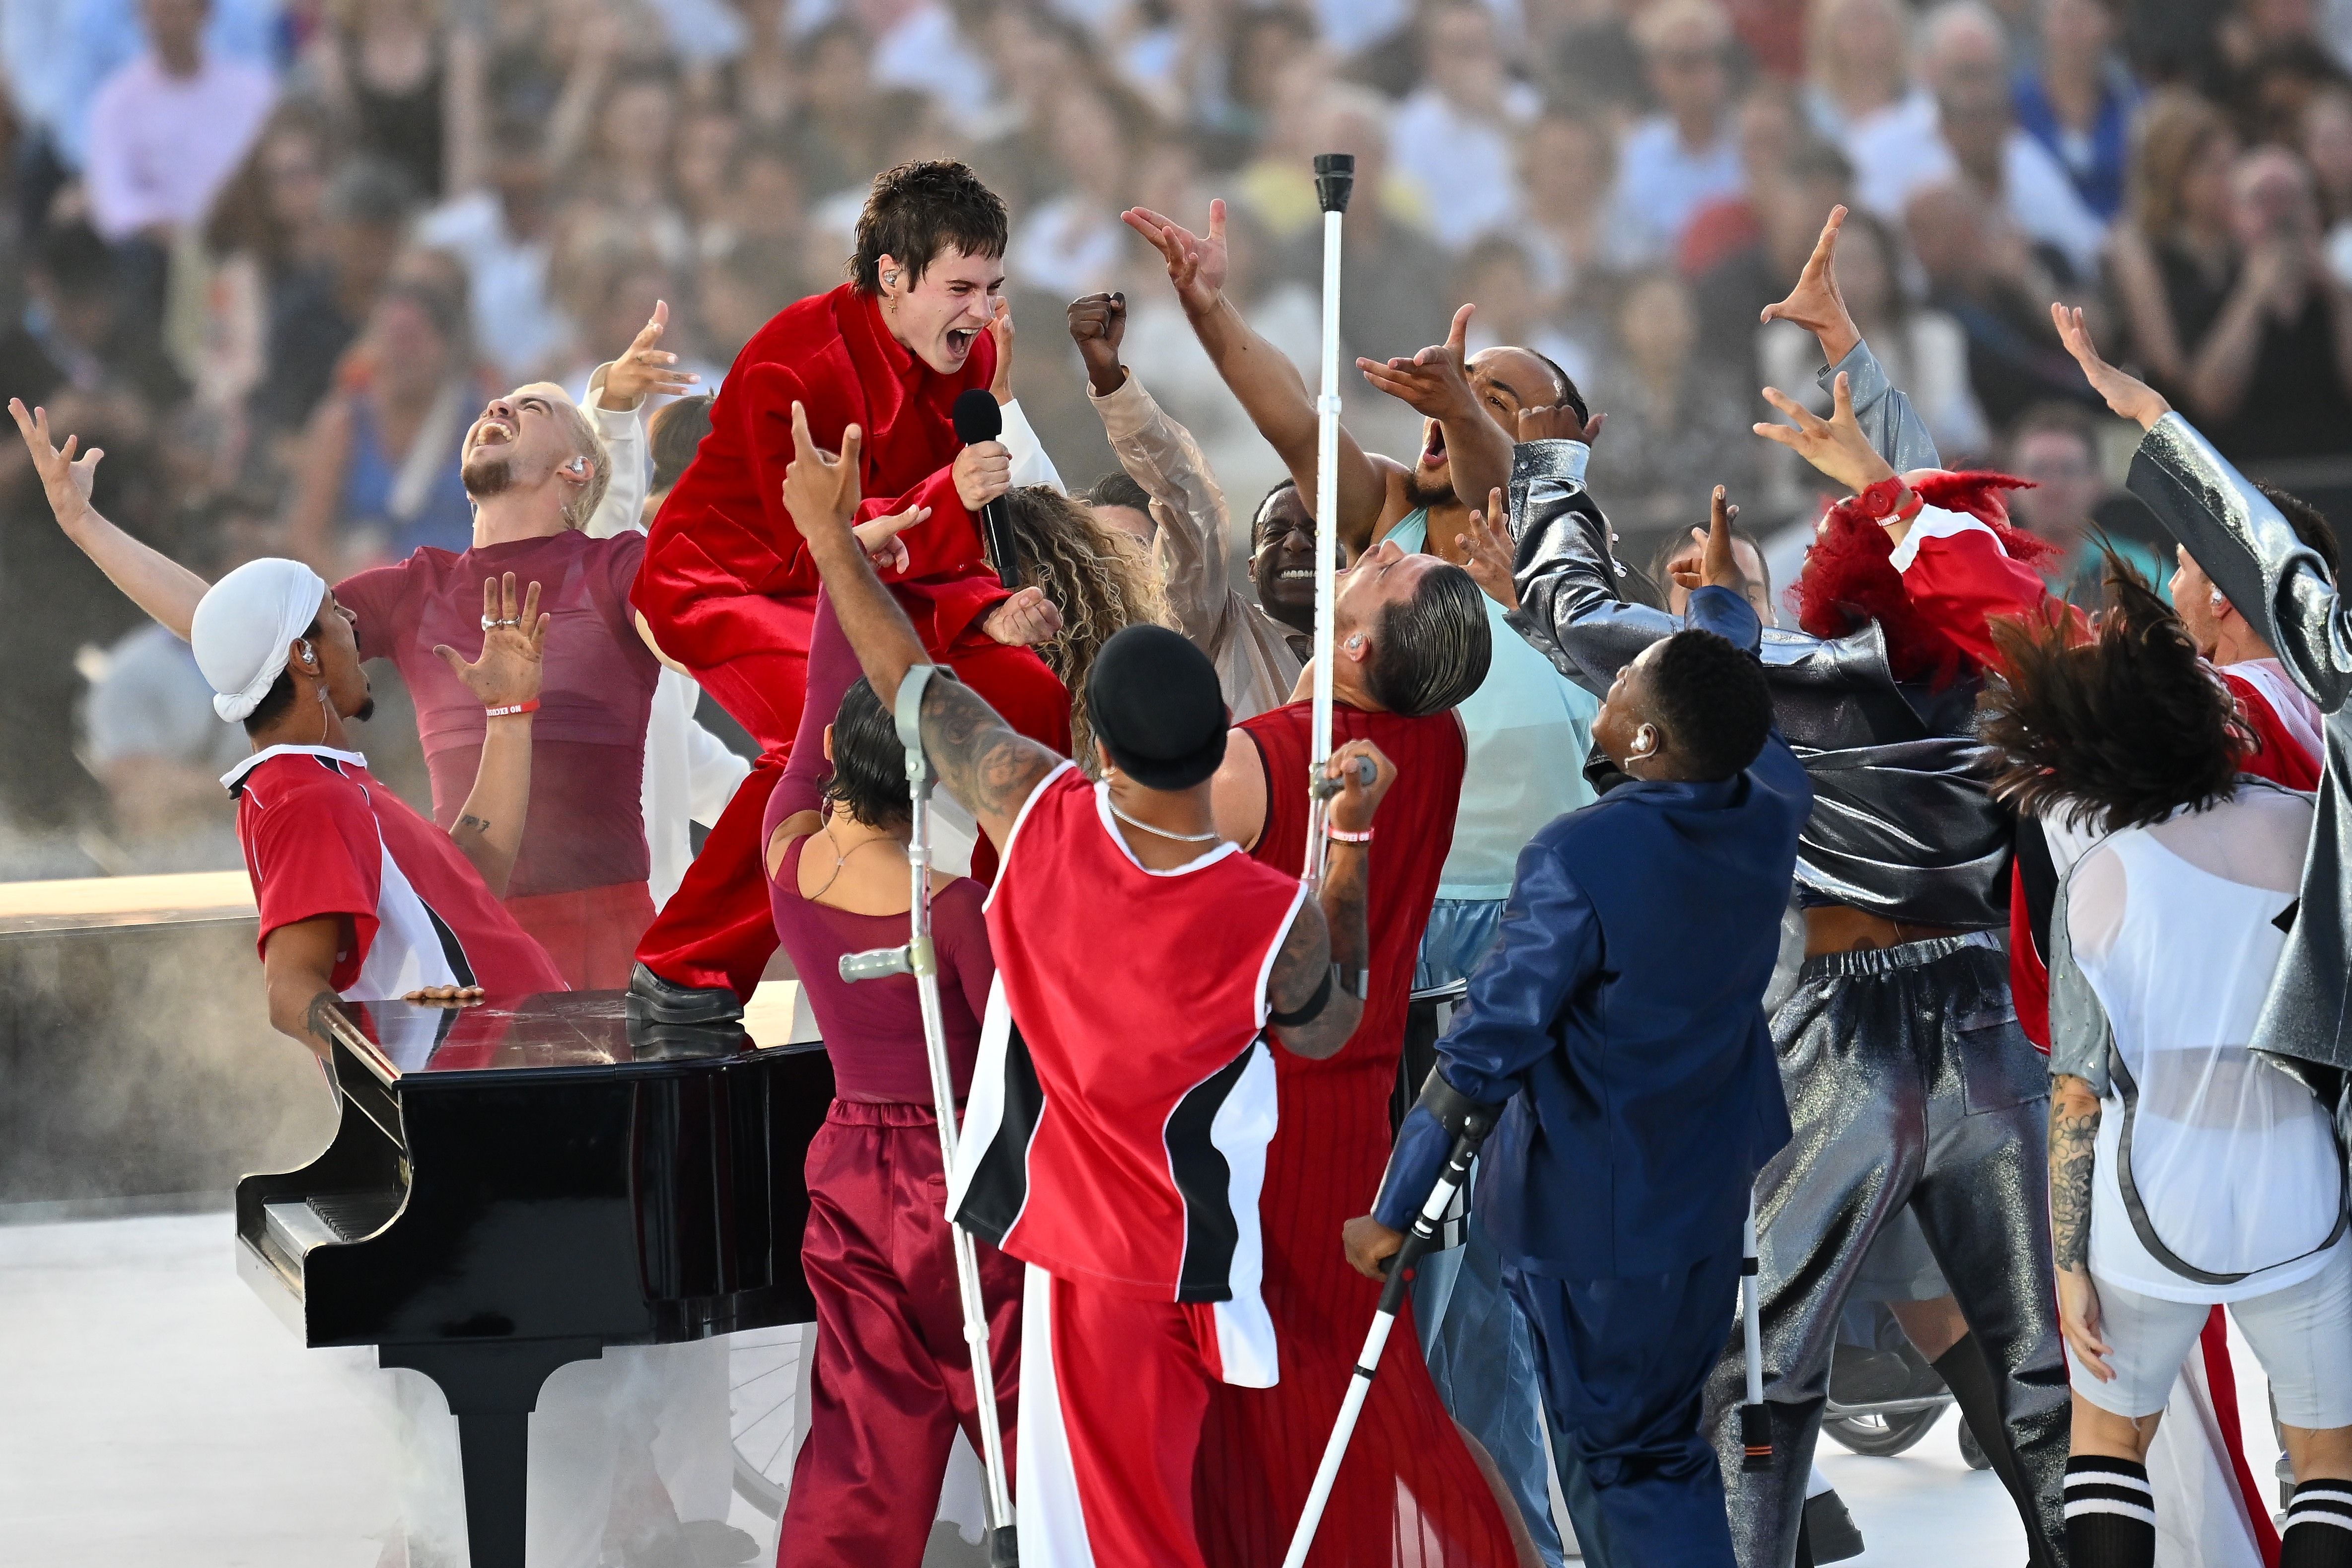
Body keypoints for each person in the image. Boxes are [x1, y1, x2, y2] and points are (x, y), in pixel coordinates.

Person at [1511, 209, 2073, 1566]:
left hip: (1849, 1047)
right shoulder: (1997, 670)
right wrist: (1857, 364)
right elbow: (1952, 526)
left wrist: (1550, 457)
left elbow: (1573, 610)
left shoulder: (1791, 680)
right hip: (1995, 1035)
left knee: (1762, 1372)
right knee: (2048, 1384)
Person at [765, 399, 1386, 1568]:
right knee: (1144, 1524)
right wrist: (1342, 848)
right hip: (1201, 1269)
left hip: (1085, 1273)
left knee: (1113, 1545)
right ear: (1216, 747)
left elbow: (908, 687)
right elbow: (1328, 1017)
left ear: (1093, 743)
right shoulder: (1272, 915)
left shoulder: (1043, 824)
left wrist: (833, 545)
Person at [1354, 488, 1807, 1568]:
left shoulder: (1580, 855)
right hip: (1705, 1194)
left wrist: (1393, 1208)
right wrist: (1720, 610)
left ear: (1645, 738)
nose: (1602, 689)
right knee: (1664, 1449)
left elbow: (1483, 1049)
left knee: (1620, 1465)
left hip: (1596, 1221)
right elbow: (1728, 679)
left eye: (1620, 685)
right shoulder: (1765, 798)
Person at [13, 317, 690, 989]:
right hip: (468, 933)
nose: (499, 404)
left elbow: (701, 641)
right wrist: (85, 523)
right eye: (497, 402)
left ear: (576, 469)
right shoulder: (418, 586)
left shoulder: (619, 566)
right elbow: (228, 623)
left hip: (608, 936)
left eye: (532, 407)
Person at [627, 158, 1072, 1028]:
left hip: (875, 573)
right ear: (891, 277)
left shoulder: (969, 355)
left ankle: (1006, 935)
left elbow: (933, 533)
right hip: (730, 578)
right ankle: (684, 964)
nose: (982, 313)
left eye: (992, 287)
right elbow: (810, 539)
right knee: (830, 720)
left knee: (1031, 693)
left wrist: (988, 604)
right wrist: (948, 502)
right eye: (960, 287)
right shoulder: (790, 363)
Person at [1979, 568, 2352, 1568]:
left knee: (2110, 1442)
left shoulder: (2097, 876)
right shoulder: (2308, 827)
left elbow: (2074, 1090)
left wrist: (2065, 1269)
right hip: (2302, 1194)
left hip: (2147, 1202)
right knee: (2325, 1459)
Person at [756, 594, 1018, 1565]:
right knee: (1022, 1410)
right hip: (960, 1177)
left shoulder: (787, 865)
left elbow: (796, 750)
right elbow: (1010, 1045)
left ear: (836, 748)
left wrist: (844, 575)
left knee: (861, 1440)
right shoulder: (953, 905)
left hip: (849, 1171)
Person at [2053, 298, 2352, 1126]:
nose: (2171, 584)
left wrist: (1900, 504)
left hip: (2225, 1102)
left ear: (2225, 587)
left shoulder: (2228, 703)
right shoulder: (2318, 697)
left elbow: (2280, 576)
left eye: (2187, 565)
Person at [1068, 289, 1306, 720]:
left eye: (1317, 532)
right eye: (1274, 532)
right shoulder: (1209, 628)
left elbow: (1187, 502)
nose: (1296, 543)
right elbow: (1189, 501)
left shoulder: (1186, 631)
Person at [285, 282, 482, 569]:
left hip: (462, 598)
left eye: (414, 340)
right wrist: (353, 593)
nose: (402, 353)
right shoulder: (343, 425)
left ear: (445, 347)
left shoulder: (483, 428)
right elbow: (304, 536)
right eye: (393, 338)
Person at [83, 0, 277, 247]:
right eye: (156, 10)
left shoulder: (256, 92)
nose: (165, 21)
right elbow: (114, 203)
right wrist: (170, 231)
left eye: (174, 9)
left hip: (250, 239)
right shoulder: (115, 103)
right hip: (161, 254)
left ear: (205, 11)